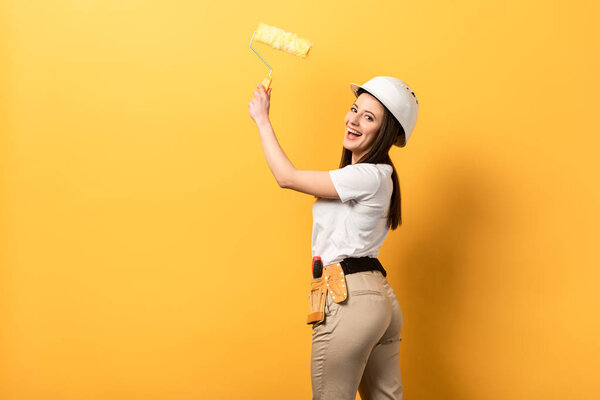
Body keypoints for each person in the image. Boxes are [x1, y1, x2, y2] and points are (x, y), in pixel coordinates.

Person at [248, 76, 419, 400]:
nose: (353, 119)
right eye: (354, 109)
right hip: (378, 299)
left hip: (348, 296)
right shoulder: (377, 177)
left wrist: (262, 119)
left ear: (385, 133)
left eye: (368, 117)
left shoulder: (367, 176)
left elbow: (287, 177)